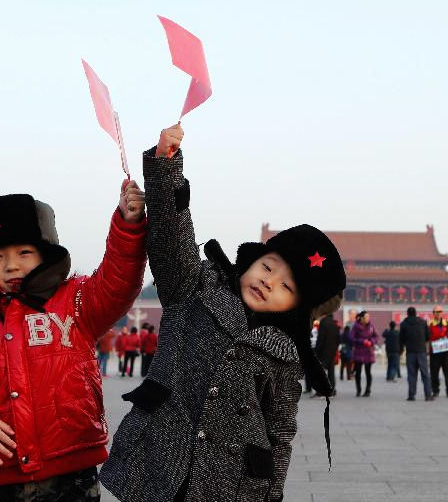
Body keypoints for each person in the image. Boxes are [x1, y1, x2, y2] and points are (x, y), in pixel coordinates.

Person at [99, 124, 346, 501]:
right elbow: (171, 237)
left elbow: (280, 431)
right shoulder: (195, 287)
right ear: (252, 260)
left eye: (286, 287)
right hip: (159, 458)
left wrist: (271, 491)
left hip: (229, 482)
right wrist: (167, 168)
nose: (268, 282)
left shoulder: (283, 353)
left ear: (297, 307)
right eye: (267, 267)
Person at [0, 182, 148, 499]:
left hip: (73, 470)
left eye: (24, 253)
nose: (12, 265)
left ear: (45, 256)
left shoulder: (76, 302)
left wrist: (128, 224)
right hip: (0, 474)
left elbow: (117, 281)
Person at [399, 307, 431, 401]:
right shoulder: (423, 322)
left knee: (411, 375)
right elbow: (428, 337)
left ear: (407, 313)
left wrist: (401, 350)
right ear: (416, 313)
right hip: (421, 351)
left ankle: (411, 395)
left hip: (410, 352)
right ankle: (428, 395)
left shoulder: (404, 324)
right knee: (425, 374)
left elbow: (401, 339)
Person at [428, 305, 448, 399]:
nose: (438, 314)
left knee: (447, 372)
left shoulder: (445, 323)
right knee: (434, 373)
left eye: (440, 312)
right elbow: (428, 336)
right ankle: (435, 391)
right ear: (433, 313)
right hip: (435, 352)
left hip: (445, 351)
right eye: (436, 312)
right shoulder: (430, 324)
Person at [350, 311, 378, 397]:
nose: (368, 319)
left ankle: (368, 390)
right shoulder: (355, 326)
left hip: (368, 352)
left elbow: (376, 336)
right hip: (359, 352)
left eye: (369, 317)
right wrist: (362, 341)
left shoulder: (371, 326)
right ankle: (358, 390)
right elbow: (351, 338)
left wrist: (371, 341)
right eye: (366, 317)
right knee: (358, 372)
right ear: (361, 318)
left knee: (368, 372)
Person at [314, 312, 340, 396]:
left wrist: (317, 351)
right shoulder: (334, 324)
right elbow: (338, 339)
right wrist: (335, 349)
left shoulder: (324, 323)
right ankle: (332, 390)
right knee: (331, 372)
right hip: (332, 351)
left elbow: (321, 339)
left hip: (323, 351)